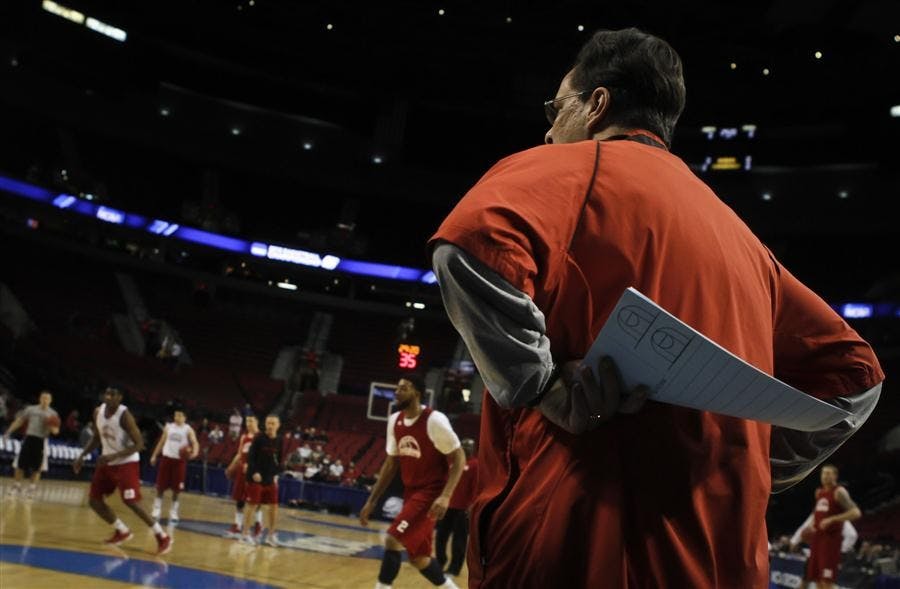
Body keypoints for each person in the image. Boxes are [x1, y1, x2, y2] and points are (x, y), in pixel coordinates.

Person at [428, 27, 884, 588]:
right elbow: (857, 376)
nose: (549, 130)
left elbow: (469, 241)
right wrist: (756, 464)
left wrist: (541, 387)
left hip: (575, 545)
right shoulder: (743, 239)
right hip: (723, 562)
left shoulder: (566, 168)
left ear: (597, 105)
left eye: (556, 107)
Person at [359, 374, 465, 589]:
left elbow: (459, 456)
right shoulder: (394, 420)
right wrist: (372, 501)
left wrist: (445, 496)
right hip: (411, 493)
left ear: (416, 393)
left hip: (431, 493)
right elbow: (390, 464)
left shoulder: (434, 420)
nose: (397, 392)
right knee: (420, 559)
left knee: (392, 540)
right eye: (397, 388)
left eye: (403, 388)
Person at [73, 387, 172, 554]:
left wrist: (114, 456)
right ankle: (122, 530)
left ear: (120, 398)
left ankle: (162, 536)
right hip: (107, 461)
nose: (108, 397)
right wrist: (82, 455)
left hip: (126, 462)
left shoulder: (125, 416)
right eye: (106, 394)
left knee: (131, 501)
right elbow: (97, 437)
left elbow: (140, 445)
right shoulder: (98, 412)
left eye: (112, 395)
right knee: (94, 501)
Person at [793, 465, 862, 588]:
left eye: (829, 473)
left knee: (826, 582)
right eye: (823, 473)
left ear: (835, 476)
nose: (825, 476)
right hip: (817, 540)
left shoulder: (839, 492)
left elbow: (856, 512)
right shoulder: (819, 492)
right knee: (817, 579)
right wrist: (811, 526)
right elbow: (816, 513)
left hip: (830, 542)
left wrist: (832, 519)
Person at [3, 390, 59, 499]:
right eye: (43, 398)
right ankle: (16, 486)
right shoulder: (31, 409)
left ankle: (31, 489)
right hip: (29, 438)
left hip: (42, 441)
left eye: (47, 399)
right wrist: (8, 431)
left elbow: (56, 431)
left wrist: (50, 426)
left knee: (37, 467)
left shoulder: (53, 414)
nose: (45, 400)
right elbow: (20, 420)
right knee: (20, 464)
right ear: (40, 399)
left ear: (50, 401)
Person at [435, 438, 478, 577]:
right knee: (440, 536)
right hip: (447, 506)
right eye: (464, 445)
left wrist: (471, 505)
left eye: (469, 446)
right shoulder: (452, 462)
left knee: (459, 540)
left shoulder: (476, 465)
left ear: (474, 449)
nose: (466, 448)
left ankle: (454, 568)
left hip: (463, 509)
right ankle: (440, 562)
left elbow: (476, 487)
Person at [149, 407, 199, 523]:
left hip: (179, 462)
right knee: (160, 487)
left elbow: (195, 442)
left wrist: (195, 452)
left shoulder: (188, 429)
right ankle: (156, 509)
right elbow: (161, 442)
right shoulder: (168, 427)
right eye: (176, 415)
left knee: (177, 490)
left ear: (185, 417)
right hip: (166, 459)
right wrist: (154, 455)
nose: (177, 417)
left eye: (180, 415)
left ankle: (174, 511)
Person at [242, 414, 282, 547]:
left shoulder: (279, 440)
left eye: (273, 423)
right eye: (268, 423)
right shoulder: (259, 438)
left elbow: (279, 460)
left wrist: (277, 474)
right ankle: (245, 534)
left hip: (270, 477)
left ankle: (271, 535)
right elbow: (251, 457)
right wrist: (254, 472)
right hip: (255, 477)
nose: (270, 426)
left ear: (278, 425)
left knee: (274, 506)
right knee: (252, 505)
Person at [224, 415, 263, 538]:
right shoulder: (244, 437)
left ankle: (258, 524)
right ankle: (237, 525)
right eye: (247, 421)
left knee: (255, 500)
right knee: (239, 498)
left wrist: (254, 468)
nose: (248, 423)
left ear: (257, 422)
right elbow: (239, 454)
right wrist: (231, 466)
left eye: (251, 421)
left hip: (255, 472)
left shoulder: (261, 437)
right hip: (242, 470)